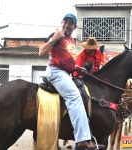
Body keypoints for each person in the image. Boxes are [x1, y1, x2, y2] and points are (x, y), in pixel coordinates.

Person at [39, 13, 104, 150]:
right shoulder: (57, 35)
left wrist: (77, 68)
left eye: (70, 23)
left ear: (74, 27)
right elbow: (41, 52)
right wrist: (53, 39)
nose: (67, 25)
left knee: (82, 93)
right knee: (74, 96)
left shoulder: (71, 41)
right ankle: (81, 140)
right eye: (66, 22)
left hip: (66, 73)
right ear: (62, 22)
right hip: (55, 72)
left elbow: (68, 60)